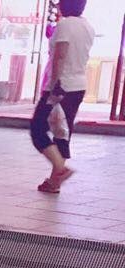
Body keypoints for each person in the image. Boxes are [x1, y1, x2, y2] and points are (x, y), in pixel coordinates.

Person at [29, 0, 94, 194]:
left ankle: (60, 168)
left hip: (61, 86)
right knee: (62, 131)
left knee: (37, 128)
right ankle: (54, 182)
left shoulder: (66, 25)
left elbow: (60, 56)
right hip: (78, 85)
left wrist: (53, 87)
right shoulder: (88, 26)